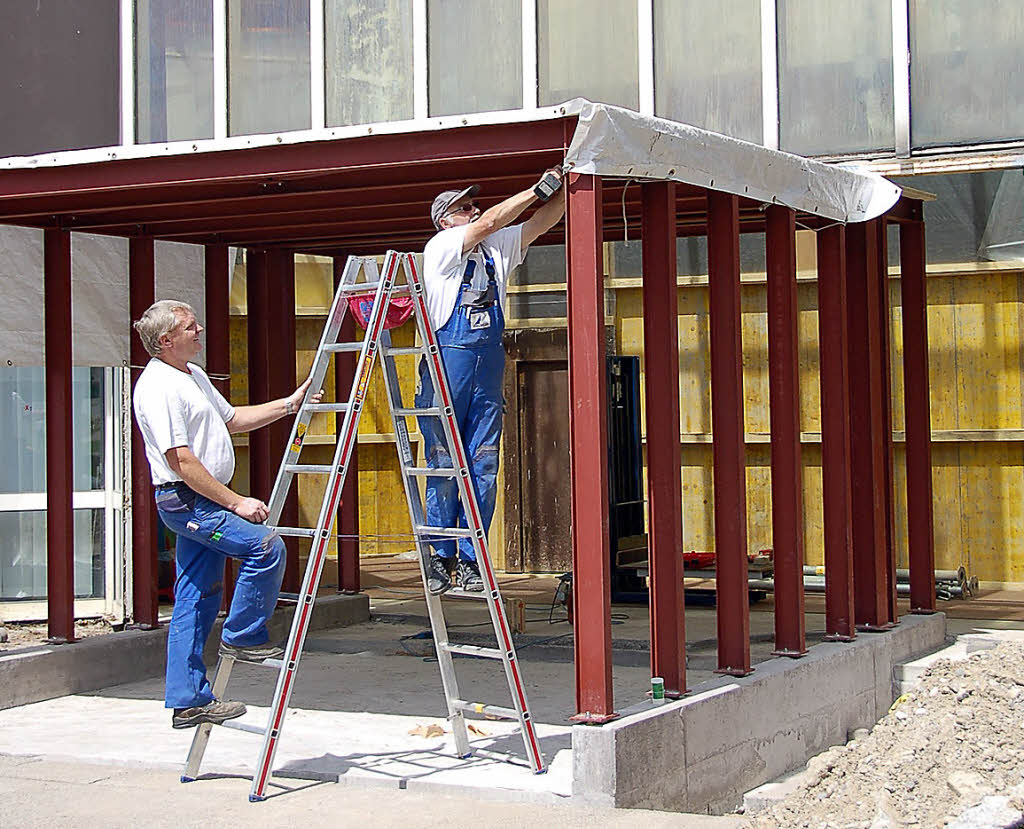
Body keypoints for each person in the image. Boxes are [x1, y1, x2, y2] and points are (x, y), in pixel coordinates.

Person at [132, 299, 320, 729]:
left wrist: (290, 403)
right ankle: (244, 637)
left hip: (200, 499)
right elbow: (180, 460)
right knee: (266, 548)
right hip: (188, 500)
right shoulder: (158, 386)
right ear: (166, 340)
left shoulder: (192, 375)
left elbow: (232, 418)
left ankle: (188, 700)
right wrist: (235, 502)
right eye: (190, 327)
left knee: (196, 598)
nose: (199, 331)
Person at [417, 167, 566, 594]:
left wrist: (569, 188)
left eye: (473, 204)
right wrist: (536, 189)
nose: (474, 210)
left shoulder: (495, 249)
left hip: (486, 359)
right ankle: (440, 554)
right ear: (446, 219)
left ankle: (471, 559)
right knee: (445, 461)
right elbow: (492, 221)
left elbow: (540, 223)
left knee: (482, 462)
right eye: (464, 207)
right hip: (448, 357)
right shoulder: (443, 246)